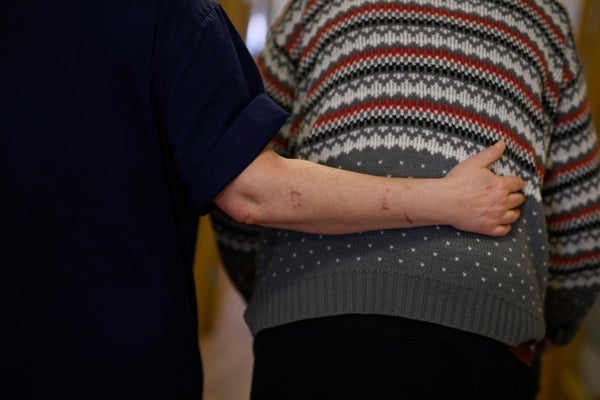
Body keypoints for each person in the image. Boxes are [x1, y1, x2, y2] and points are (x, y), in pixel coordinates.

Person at [0, 1, 526, 399]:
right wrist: (444, 200)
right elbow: (248, 191)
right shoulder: (170, 14)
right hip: (113, 351)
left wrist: (267, 289)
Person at [212, 0, 600, 399]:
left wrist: (268, 289)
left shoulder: (310, 9)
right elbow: (581, 228)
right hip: (485, 320)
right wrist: (541, 327)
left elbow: (240, 169)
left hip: (306, 309)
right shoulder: (544, 19)